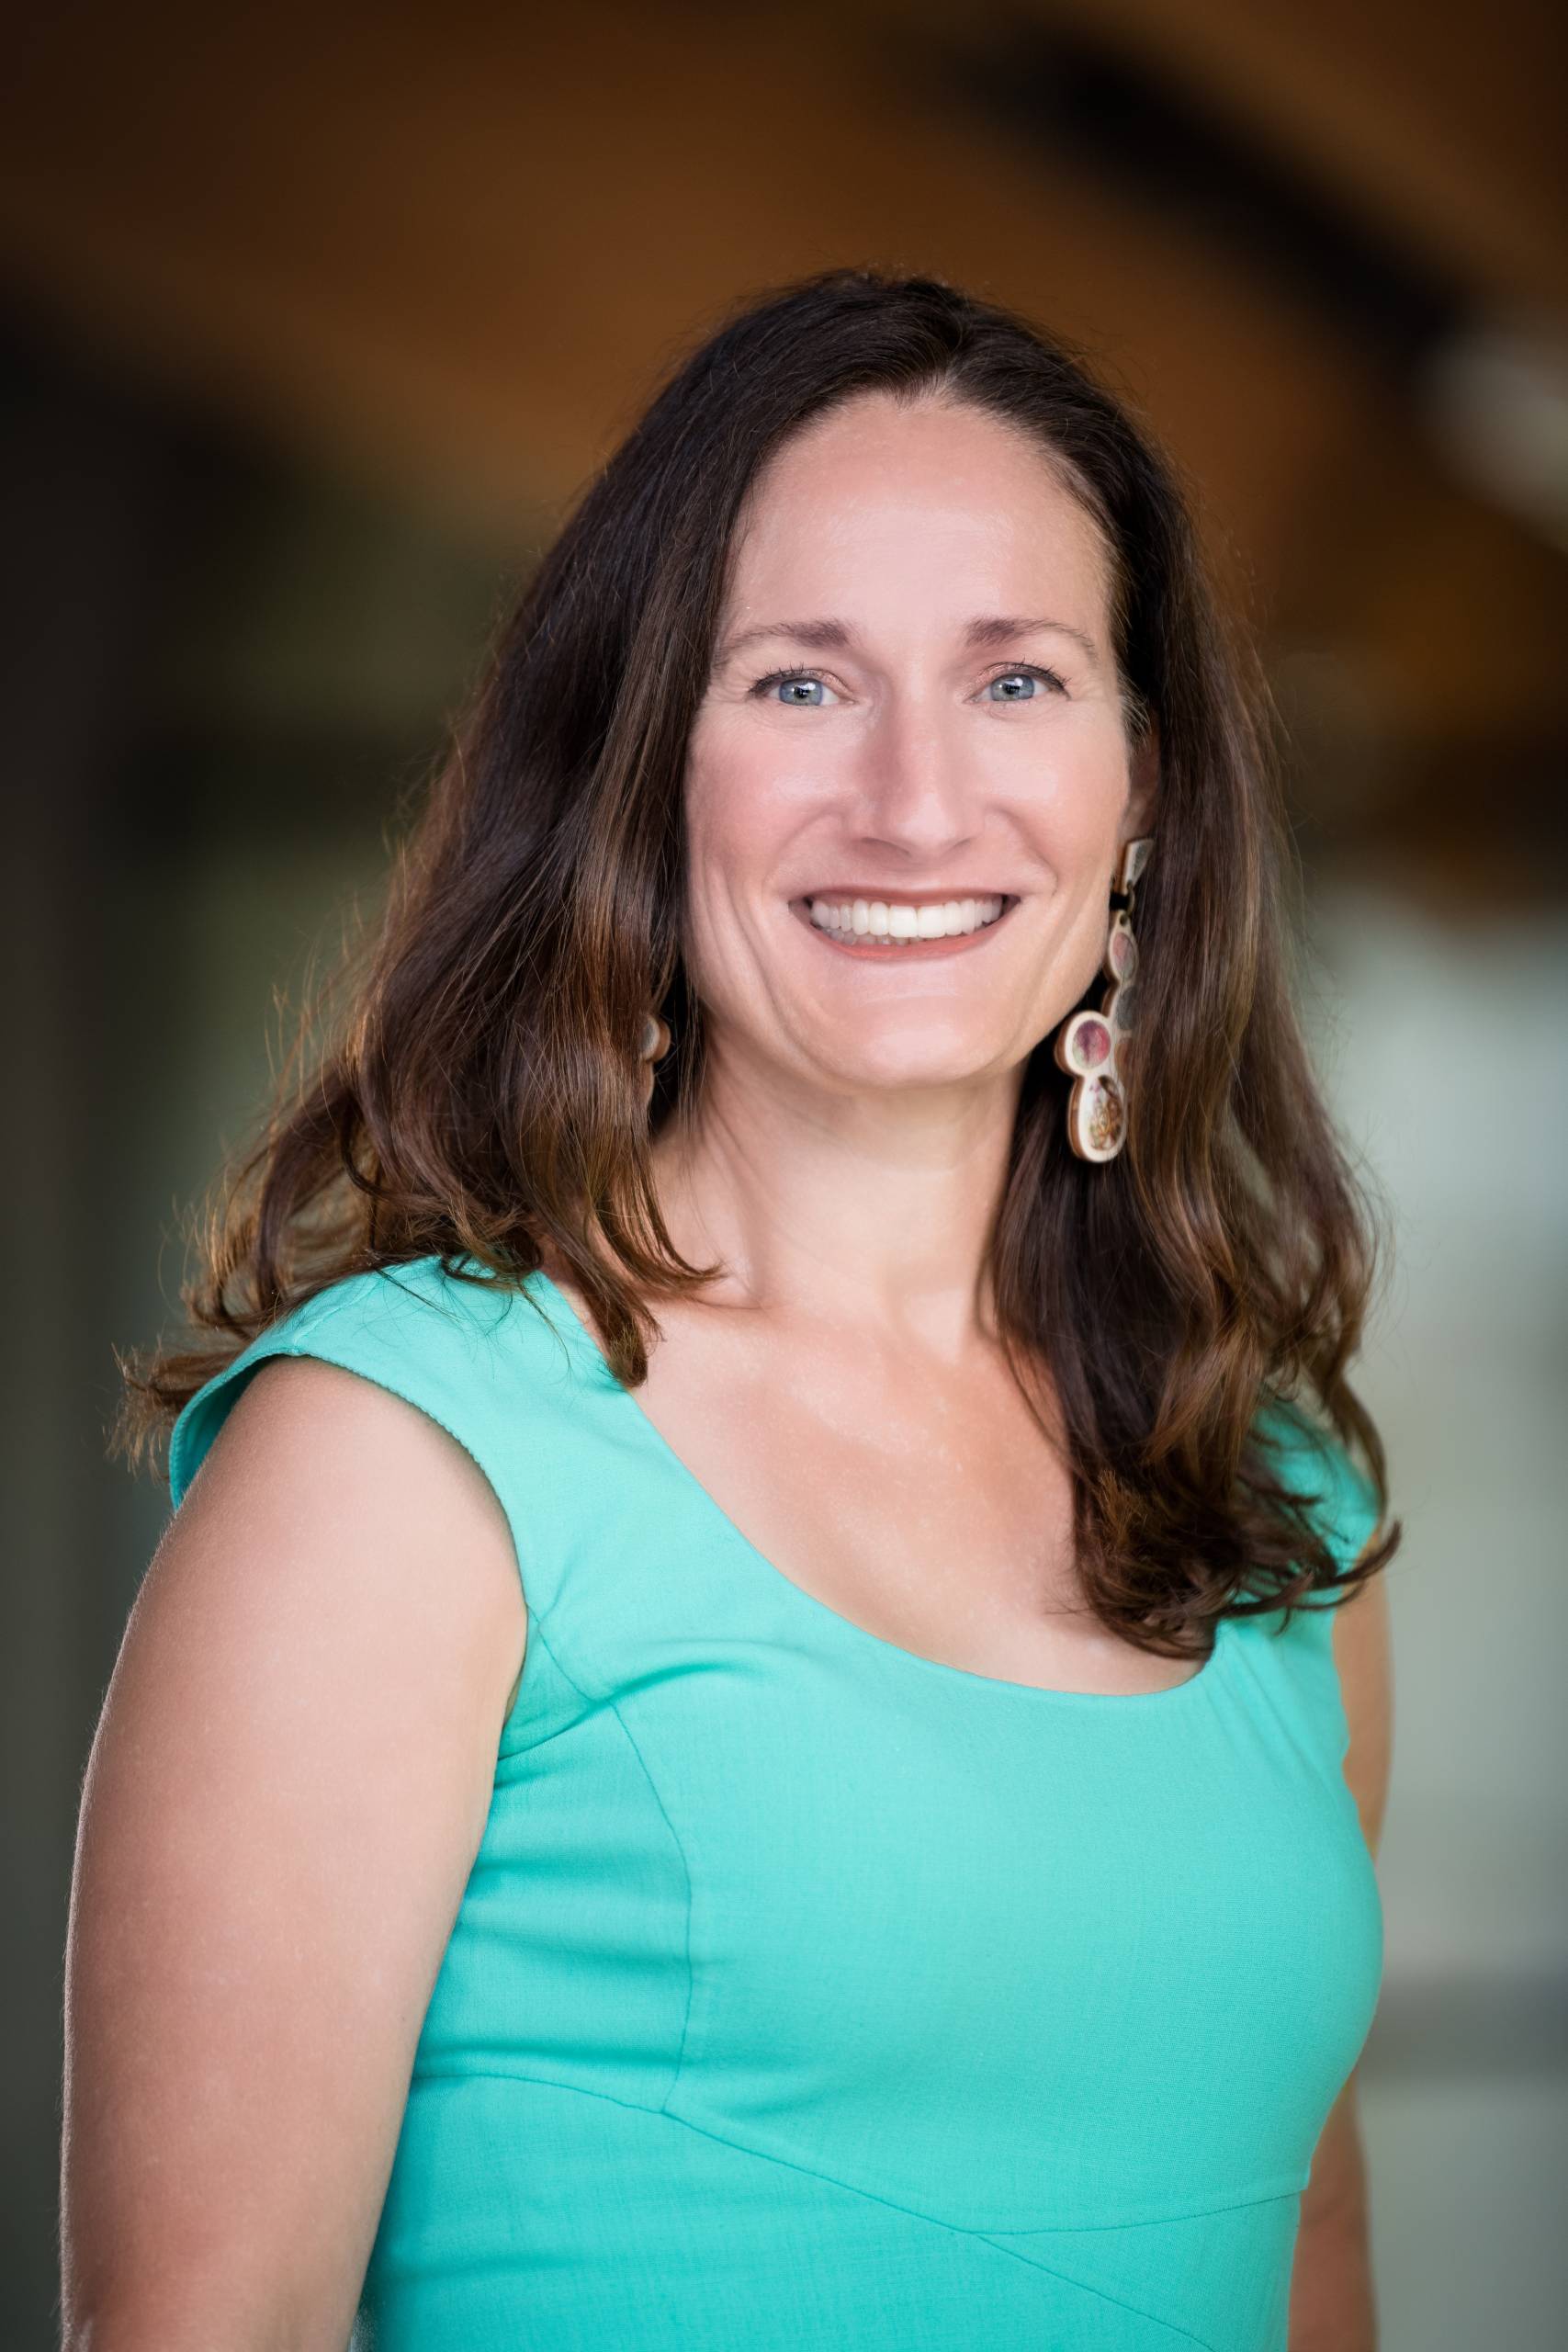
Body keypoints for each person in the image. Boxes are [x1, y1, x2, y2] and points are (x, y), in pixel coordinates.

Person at [62, 267, 1399, 2350]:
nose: (915, 800)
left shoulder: (1269, 1482)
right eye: (796, 684)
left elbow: (1312, 2259)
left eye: (1016, 678)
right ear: (638, 769)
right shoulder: (398, 1464)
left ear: (1142, 787)